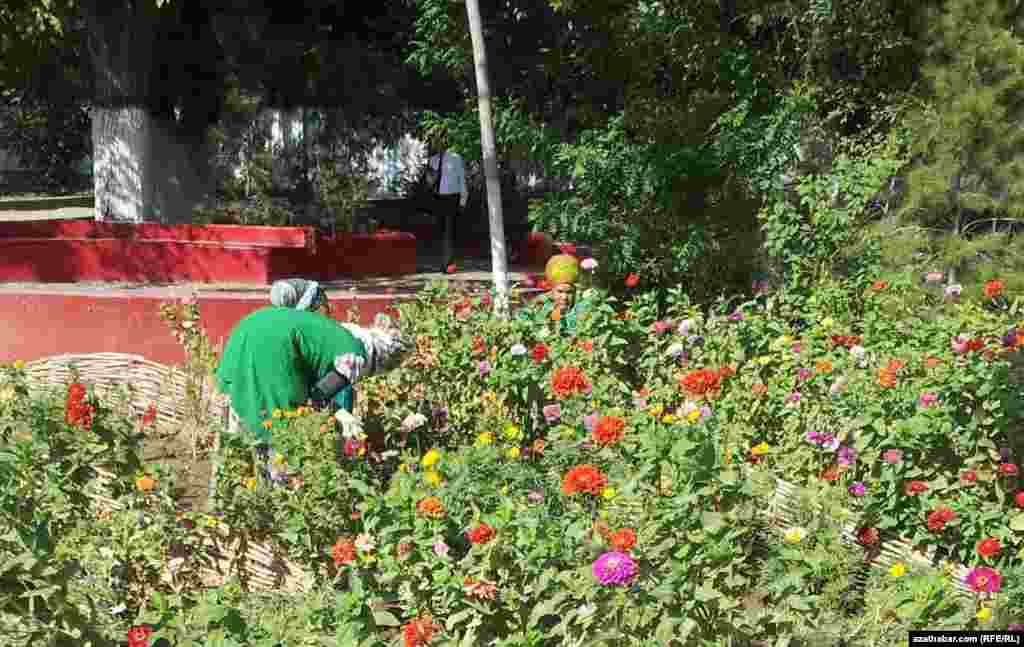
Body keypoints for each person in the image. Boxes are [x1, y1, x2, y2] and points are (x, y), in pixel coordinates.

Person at [212, 283, 406, 497]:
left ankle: (233, 491)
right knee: (283, 430)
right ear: (378, 357)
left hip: (246, 333)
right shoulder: (357, 351)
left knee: (245, 424)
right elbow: (325, 388)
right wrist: (317, 406)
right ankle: (283, 495)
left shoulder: (316, 327)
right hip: (272, 351)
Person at [426, 149, 467, 271]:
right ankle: (444, 261)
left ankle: (448, 264)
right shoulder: (433, 160)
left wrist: (463, 200)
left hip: (451, 197)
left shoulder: (456, 157)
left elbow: (461, 178)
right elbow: (429, 181)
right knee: (440, 231)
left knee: (449, 231)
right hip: (437, 198)